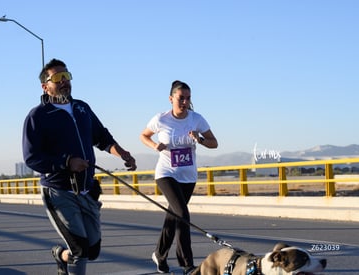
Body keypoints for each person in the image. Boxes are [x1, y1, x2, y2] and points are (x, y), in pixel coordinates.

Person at [22, 58, 137, 275]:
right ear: (45, 86)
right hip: (59, 191)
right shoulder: (38, 116)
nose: (64, 81)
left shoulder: (82, 108)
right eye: (57, 78)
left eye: (66, 76)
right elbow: (32, 157)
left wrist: (121, 152)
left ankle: (60, 255)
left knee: (92, 250)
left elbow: (101, 137)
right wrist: (66, 162)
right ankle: (70, 258)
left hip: (86, 190)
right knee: (80, 249)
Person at [140, 80, 218, 274]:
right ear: (171, 98)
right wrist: (154, 146)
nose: (185, 101)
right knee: (182, 215)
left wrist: (199, 139)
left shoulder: (196, 119)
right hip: (166, 173)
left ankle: (159, 254)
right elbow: (144, 135)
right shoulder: (161, 119)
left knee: (173, 217)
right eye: (180, 98)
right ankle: (187, 265)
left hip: (188, 176)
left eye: (188, 98)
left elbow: (214, 143)